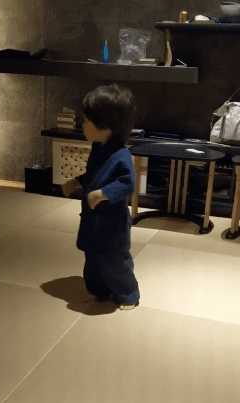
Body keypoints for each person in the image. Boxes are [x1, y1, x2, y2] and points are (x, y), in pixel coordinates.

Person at [62, 83, 140, 310]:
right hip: (93, 220)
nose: (82, 124)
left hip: (112, 223)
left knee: (115, 261)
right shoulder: (98, 148)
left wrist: (103, 194)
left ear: (106, 127)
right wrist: (77, 181)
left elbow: (127, 184)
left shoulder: (121, 155)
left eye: (87, 120)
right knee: (93, 258)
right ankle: (100, 290)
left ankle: (128, 294)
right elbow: (94, 174)